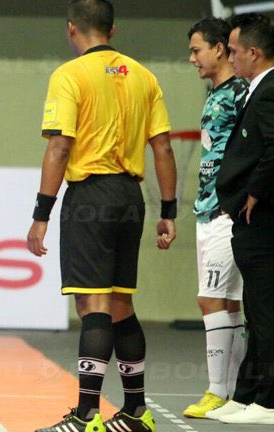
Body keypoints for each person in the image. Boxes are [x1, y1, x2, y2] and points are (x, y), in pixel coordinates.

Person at [27, 1, 177, 431]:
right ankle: (136, 411)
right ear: (112, 30)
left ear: (72, 29)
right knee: (120, 304)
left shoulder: (69, 75)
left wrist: (41, 213)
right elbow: (163, 148)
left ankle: (86, 414)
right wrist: (168, 211)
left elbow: (59, 147)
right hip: (132, 196)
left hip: (91, 194)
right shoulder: (143, 76)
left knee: (93, 304)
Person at [181, 18, 248, 419]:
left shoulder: (241, 94)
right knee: (229, 304)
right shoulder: (216, 92)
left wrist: (232, 199)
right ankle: (232, 393)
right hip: (208, 209)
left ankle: (216, 390)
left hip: (226, 210)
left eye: (196, 49)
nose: (192, 58)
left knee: (210, 300)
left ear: (220, 49)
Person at [213, 12, 274, 425]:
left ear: (254, 52)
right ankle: (247, 392)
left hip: (264, 218)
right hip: (251, 218)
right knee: (256, 309)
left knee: (266, 312)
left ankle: (268, 401)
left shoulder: (269, 91)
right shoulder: (258, 90)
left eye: (234, 51)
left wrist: (254, 192)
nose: (230, 58)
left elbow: (273, 147)